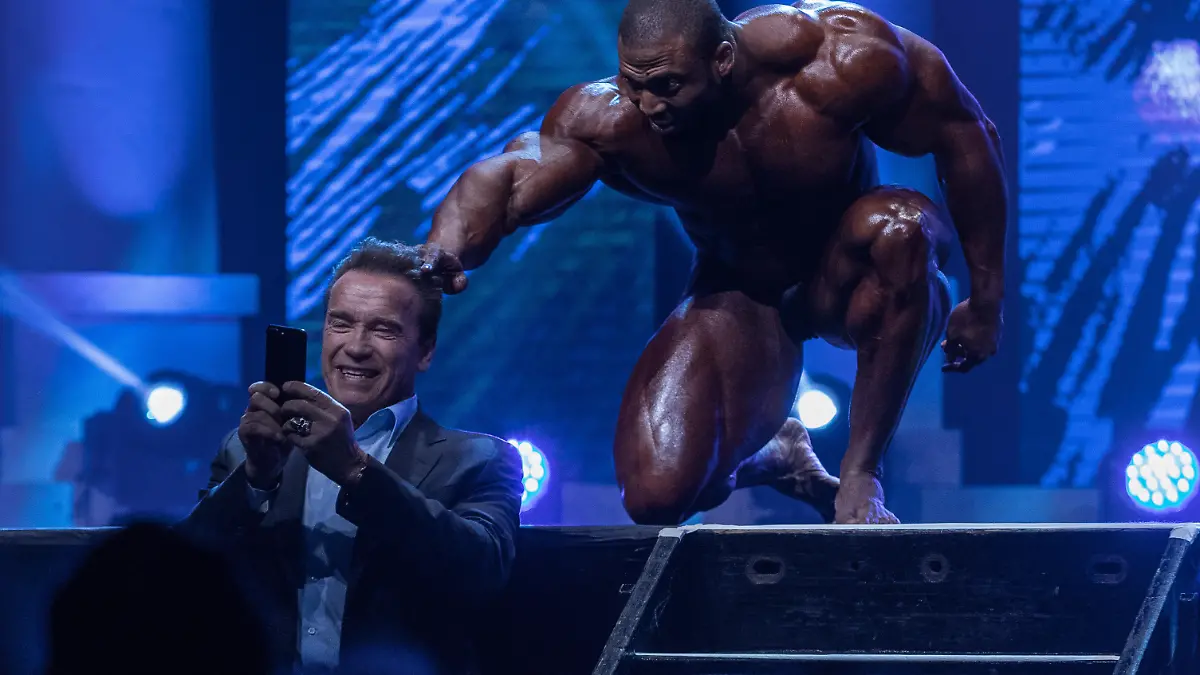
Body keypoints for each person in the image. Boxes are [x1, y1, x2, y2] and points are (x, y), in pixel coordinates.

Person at [419, 0, 1006, 525]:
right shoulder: (611, 121)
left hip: (847, 272)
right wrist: (445, 247)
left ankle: (860, 474)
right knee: (655, 498)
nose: (649, 105)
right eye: (633, 83)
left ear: (722, 58)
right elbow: (511, 179)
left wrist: (984, 301)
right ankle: (773, 455)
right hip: (742, 292)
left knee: (900, 230)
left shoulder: (834, 57)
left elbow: (967, 133)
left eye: (667, 85)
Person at [180, 238, 524, 675]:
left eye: (384, 330)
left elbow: (482, 574)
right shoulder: (245, 448)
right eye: (340, 324)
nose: (356, 346)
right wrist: (255, 479)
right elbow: (183, 577)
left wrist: (355, 470)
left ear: (425, 350)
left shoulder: (478, 460)